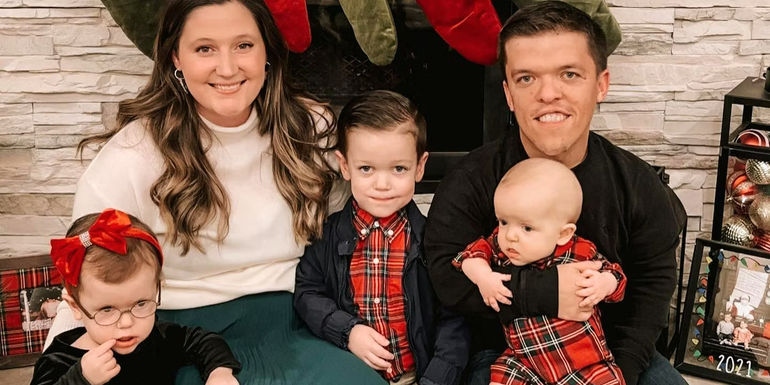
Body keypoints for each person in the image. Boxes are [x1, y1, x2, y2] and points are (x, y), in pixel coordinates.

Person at [43, 1, 384, 384]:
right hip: (178, 339)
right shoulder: (131, 156)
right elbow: (85, 278)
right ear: (176, 57)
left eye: (244, 45)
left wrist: (351, 324)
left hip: (298, 321)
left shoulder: (309, 128)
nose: (227, 67)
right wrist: (63, 370)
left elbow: (346, 236)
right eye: (205, 48)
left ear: (268, 52)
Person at [423, 2, 687, 385]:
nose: (548, 94)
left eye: (569, 74)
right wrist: (544, 292)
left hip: (606, 350)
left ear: (601, 84)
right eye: (527, 78)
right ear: (509, 94)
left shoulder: (637, 184)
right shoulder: (470, 179)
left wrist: (620, 375)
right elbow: (446, 277)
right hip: (506, 355)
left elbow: (651, 288)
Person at [294, 90, 469, 385]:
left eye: (399, 168)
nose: (383, 184)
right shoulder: (327, 235)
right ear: (345, 166)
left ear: (420, 166)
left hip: (416, 376)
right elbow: (307, 293)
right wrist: (347, 330)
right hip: (351, 374)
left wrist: (436, 380)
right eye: (366, 169)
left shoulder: (433, 240)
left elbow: (455, 320)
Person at [454, 158, 625, 385]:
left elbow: (617, 277)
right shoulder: (501, 247)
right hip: (524, 361)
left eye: (526, 227)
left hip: (582, 364)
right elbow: (467, 257)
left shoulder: (580, 252)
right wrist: (483, 276)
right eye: (504, 221)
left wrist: (604, 283)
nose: (510, 235)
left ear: (563, 233)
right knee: (500, 376)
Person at [32, 208, 240, 385]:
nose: (126, 322)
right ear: (76, 307)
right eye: (107, 309)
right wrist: (81, 377)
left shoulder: (157, 338)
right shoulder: (59, 360)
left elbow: (203, 341)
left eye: (140, 303)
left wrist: (220, 372)